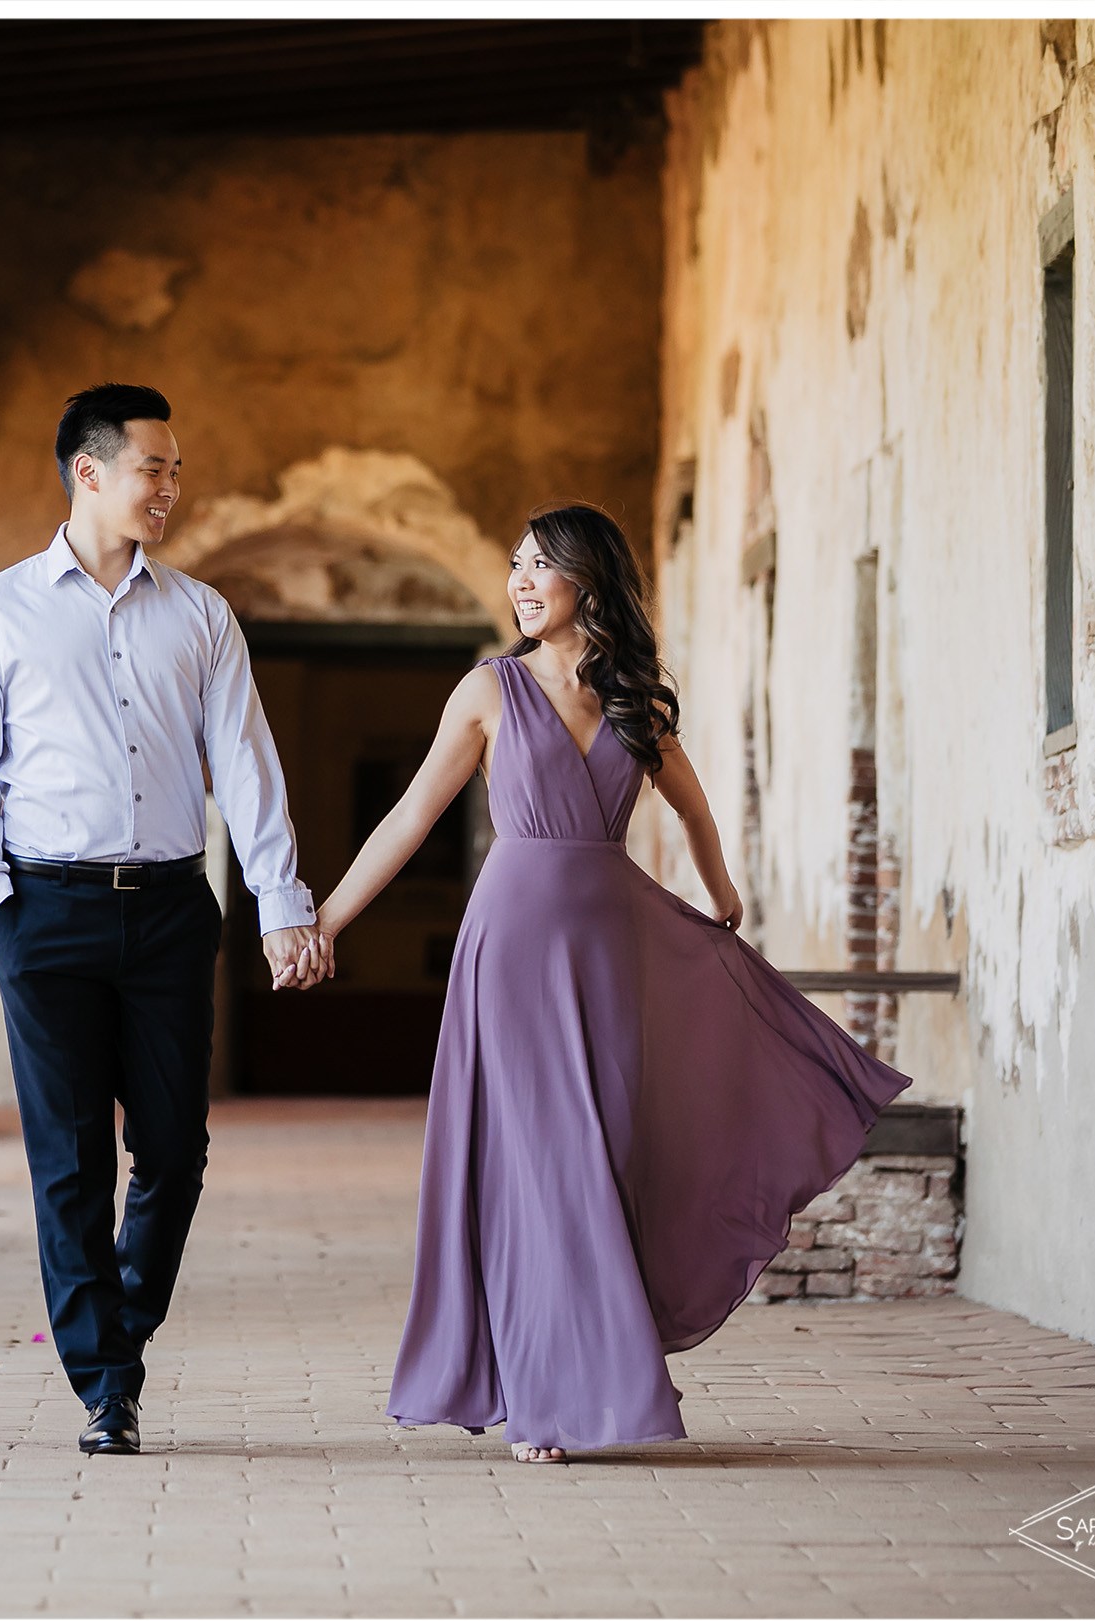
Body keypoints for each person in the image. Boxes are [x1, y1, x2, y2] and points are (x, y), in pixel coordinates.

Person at [301, 502, 911, 1464]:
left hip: (610, 956)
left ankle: (575, 1376)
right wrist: (325, 919)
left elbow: (697, 810)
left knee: (609, 1158)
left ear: (588, 579)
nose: (520, 581)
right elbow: (411, 816)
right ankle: (546, 1401)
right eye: (514, 564)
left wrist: (722, 899)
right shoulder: (487, 691)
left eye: (540, 564)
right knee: (545, 1169)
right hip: (511, 952)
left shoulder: (633, 697)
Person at [0, 383, 325, 1457]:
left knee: (173, 1151)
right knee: (68, 1163)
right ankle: (108, 1386)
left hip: (165, 914)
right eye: (153, 468)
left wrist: (280, 906)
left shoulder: (200, 614)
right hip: (41, 911)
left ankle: (119, 1323)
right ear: (89, 472)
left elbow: (245, 766)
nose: (169, 488)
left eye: (176, 470)